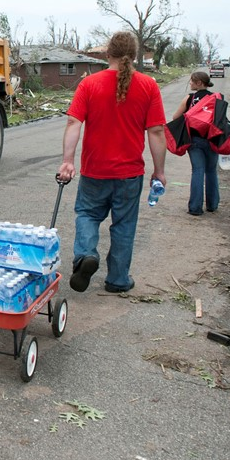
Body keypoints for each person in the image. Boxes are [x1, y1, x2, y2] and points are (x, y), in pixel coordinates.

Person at [56, 31, 167, 293]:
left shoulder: (89, 84)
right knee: (124, 225)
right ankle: (117, 279)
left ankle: (85, 255)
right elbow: (157, 132)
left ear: (108, 54)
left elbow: (74, 122)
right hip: (130, 173)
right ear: (136, 55)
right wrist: (159, 171)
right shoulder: (148, 86)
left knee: (88, 214)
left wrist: (67, 161)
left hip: (96, 170)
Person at [173, 71, 218, 216]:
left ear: (199, 83)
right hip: (212, 139)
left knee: (197, 171)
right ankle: (212, 204)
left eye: (192, 81)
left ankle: (195, 208)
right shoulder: (215, 98)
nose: (190, 83)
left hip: (194, 140)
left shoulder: (190, 98)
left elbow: (175, 117)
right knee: (211, 171)